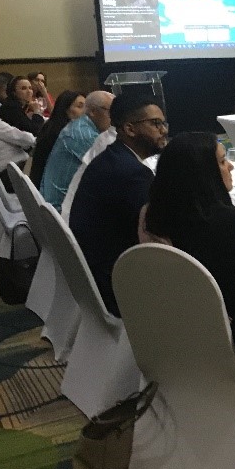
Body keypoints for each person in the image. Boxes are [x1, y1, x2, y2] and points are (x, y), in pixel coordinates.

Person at [140, 132, 235, 374]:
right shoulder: (231, 223)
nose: (231, 166)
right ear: (204, 173)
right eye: (222, 162)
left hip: (174, 329)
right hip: (232, 337)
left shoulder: (151, 216)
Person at [69, 94, 167, 316]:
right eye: (155, 124)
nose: (163, 130)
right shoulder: (131, 174)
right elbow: (156, 231)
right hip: (116, 285)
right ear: (130, 129)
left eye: (163, 123)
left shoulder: (113, 158)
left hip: (95, 274)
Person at [41, 91, 113, 210]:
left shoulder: (81, 126)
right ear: (93, 111)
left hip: (56, 205)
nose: (114, 117)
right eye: (110, 111)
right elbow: (110, 171)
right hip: (61, 210)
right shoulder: (83, 135)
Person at [28, 90, 84, 189]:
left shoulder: (51, 126)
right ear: (65, 109)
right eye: (80, 106)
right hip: (51, 191)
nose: (85, 111)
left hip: (42, 186)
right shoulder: (66, 134)